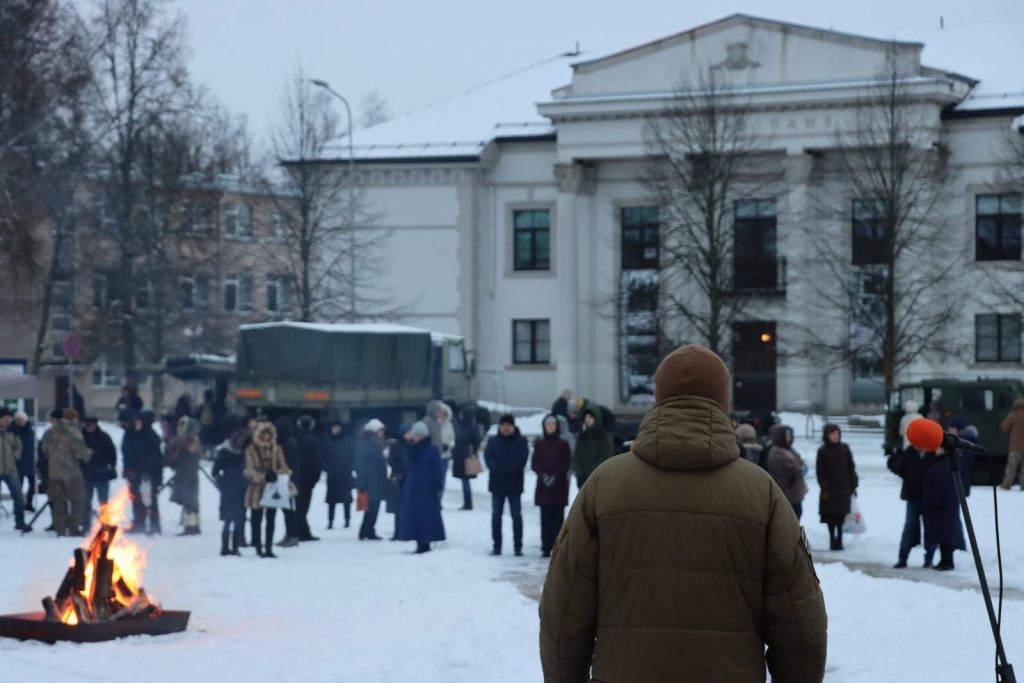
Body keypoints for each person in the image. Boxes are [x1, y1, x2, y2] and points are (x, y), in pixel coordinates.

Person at [538, 345, 827, 681]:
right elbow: (800, 621)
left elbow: (564, 609)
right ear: (723, 401)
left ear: (658, 398)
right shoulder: (760, 491)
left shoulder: (605, 484)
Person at [40, 408, 92, 536]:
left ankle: (60, 529)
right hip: (72, 473)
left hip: (54, 473)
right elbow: (81, 454)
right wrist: (89, 453)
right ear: (72, 419)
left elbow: (44, 449)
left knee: (58, 502)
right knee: (78, 500)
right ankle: (74, 527)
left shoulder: (50, 432)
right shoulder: (73, 432)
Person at [244, 421, 291, 558]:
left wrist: (276, 473)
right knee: (256, 519)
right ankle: (258, 545)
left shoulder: (277, 449)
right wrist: (261, 476)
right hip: (257, 488)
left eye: (269, 434)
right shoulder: (251, 449)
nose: (267, 437)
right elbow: (249, 468)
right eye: (264, 434)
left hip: (272, 489)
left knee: (271, 519)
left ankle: (268, 546)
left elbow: (284, 466)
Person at [484, 414, 529, 556]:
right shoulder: (493, 440)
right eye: (503, 424)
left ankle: (518, 546)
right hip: (497, 483)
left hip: (514, 483)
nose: (506, 427)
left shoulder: (521, 441)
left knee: (516, 516)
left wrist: (509, 470)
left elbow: (522, 459)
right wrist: (497, 469)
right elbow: (488, 457)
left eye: (508, 425)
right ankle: (497, 546)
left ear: (513, 426)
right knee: (496, 516)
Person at [398, 421, 446, 554]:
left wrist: (437, 485)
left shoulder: (432, 450)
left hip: (426, 489)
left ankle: (425, 544)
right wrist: (403, 483)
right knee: (414, 518)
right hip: (412, 488)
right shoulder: (409, 449)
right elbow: (407, 469)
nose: (417, 438)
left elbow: (437, 470)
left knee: (426, 518)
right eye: (415, 435)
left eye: (420, 435)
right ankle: (419, 543)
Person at [531, 414, 571, 558]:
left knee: (558, 518)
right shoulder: (540, 444)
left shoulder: (563, 444)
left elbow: (566, 462)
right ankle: (545, 546)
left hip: (558, 486)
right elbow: (535, 463)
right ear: (544, 427)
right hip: (543, 487)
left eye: (553, 424)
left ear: (557, 426)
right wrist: (544, 476)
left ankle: (558, 545)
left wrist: (554, 476)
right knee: (545, 518)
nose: (550, 427)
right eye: (548, 425)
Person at [888, 442, 933, 568]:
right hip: (912, 498)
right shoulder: (908, 452)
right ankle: (903, 558)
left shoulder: (933, 453)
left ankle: (929, 559)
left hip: (930, 499)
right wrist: (897, 453)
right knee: (909, 527)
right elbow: (897, 468)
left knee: (930, 529)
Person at [816, 423, 858, 551]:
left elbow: (851, 467)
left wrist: (854, 484)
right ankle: (831, 539)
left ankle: (839, 539)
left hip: (843, 488)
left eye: (837, 433)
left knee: (841, 516)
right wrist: (825, 487)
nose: (835, 436)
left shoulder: (844, 449)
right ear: (827, 435)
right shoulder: (822, 451)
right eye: (832, 434)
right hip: (829, 490)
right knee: (830, 516)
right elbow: (820, 471)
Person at [922, 444, 965, 570]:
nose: (936, 449)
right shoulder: (944, 462)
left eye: (938, 448)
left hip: (942, 506)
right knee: (943, 535)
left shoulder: (944, 464)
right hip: (944, 506)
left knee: (945, 535)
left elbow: (941, 486)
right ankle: (944, 561)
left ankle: (947, 562)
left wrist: (931, 500)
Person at [122, 409, 164, 535]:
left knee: (147, 499)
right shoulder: (142, 435)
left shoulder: (146, 436)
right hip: (141, 473)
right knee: (139, 498)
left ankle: (151, 524)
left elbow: (149, 457)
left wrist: (143, 470)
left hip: (146, 474)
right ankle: (143, 522)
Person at [212, 428, 248, 556]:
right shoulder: (225, 453)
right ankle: (225, 547)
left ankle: (234, 546)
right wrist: (223, 483)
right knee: (228, 519)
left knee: (238, 519)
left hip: (241, 489)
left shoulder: (243, 453)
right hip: (229, 490)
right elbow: (215, 472)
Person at [165, 416, 203, 536]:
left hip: (185, 475)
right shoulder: (193, 441)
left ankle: (190, 527)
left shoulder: (183, 442)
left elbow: (173, 458)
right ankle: (195, 525)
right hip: (189, 475)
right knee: (192, 501)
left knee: (189, 502)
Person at [354, 418, 388, 541]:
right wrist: (361, 480)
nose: (381, 433)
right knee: (371, 506)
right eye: (379, 430)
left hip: (377, 480)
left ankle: (368, 530)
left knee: (375, 506)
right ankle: (366, 531)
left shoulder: (376, 443)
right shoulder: (364, 443)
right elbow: (359, 463)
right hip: (369, 480)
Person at [81, 417, 117, 530]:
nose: (90, 426)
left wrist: (111, 465)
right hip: (86, 474)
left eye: (92, 424)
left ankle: (105, 523)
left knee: (104, 501)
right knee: (86, 501)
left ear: (96, 424)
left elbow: (112, 453)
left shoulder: (104, 437)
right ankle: (86, 524)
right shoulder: (80, 438)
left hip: (102, 474)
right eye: (87, 424)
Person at [766, 423, 808, 520]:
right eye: (786, 435)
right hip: (787, 492)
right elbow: (785, 469)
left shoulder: (788, 448)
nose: (789, 438)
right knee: (791, 519)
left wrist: (802, 467)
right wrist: (799, 469)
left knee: (797, 515)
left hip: (794, 492)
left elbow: (800, 460)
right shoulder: (776, 451)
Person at [293, 414, 324, 542]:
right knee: (304, 506)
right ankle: (302, 531)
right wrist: (315, 478)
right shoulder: (315, 440)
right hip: (308, 478)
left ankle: (301, 531)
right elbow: (317, 461)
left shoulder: (294, 439)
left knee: (297, 506)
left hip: (295, 477)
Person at [571, 404, 615, 490]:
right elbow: (576, 457)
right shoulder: (582, 436)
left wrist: (589, 474)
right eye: (586, 417)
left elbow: (604, 457)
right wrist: (579, 474)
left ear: (596, 418)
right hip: (582, 481)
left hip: (598, 479)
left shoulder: (604, 436)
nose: (587, 419)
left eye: (590, 417)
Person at [273, 416, 301, 548]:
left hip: (286, 480)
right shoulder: (290, 442)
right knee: (288, 509)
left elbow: (291, 464)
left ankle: (292, 535)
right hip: (288, 479)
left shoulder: (286, 444)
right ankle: (290, 534)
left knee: (288, 510)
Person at [324, 420, 355, 530]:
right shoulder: (328, 442)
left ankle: (347, 519)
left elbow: (352, 456)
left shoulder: (347, 441)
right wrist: (327, 467)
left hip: (345, 474)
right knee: (331, 500)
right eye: (333, 428)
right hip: (332, 475)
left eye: (337, 428)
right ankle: (330, 520)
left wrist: (350, 468)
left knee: (346, 500)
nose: (335, 430)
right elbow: (324, 457)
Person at [0, 408, 27, 531]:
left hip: (10, 469)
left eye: (9, 418)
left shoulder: (13, 432)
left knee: (18, 496)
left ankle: (20, 522)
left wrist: (14, 458)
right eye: (5, 418)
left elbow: (18, 447)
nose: (7, 420)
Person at [451, 403, 481, 510]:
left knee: (465, 481)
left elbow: (475, 442)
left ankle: (468, 502)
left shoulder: (467, 427)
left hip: (466, 457)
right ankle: (467, 502)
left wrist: (470, 450)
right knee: (464, 480)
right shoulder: (469, 426)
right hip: (462, 456)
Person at [424, 400, 455, 502]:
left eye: (443, 413)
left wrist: (449, 446)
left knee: (441, 479)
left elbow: (452, 439)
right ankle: (434, 498)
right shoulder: (431, 423)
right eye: (439, 412)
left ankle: (439, 498)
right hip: (434, 455)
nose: (441, 415)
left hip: (445, 456)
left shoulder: (449, 425)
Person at [386, 423, 410, 540]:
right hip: (398, 477)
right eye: (407, 433)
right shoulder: (395, 446)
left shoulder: (414, 445)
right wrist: (402, 467)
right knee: (398, 508)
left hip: (410, 478)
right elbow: (391, 461)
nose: (409, 435)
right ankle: (398, 532)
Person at [10, 410, 35, 513]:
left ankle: (29, 503)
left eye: (22, 419)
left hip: (30, 462)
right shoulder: (12, 432)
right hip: (17, 464)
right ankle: (18, 506)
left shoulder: (31, 432)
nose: (21, 421)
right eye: (18, 420)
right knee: (17, 487)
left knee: (33, 486)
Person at [1000, 398, 1024, 490]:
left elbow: (1004, 427)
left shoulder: (1013, 414)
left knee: (1011, 467)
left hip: (1015, 447)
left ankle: (1007, 484)